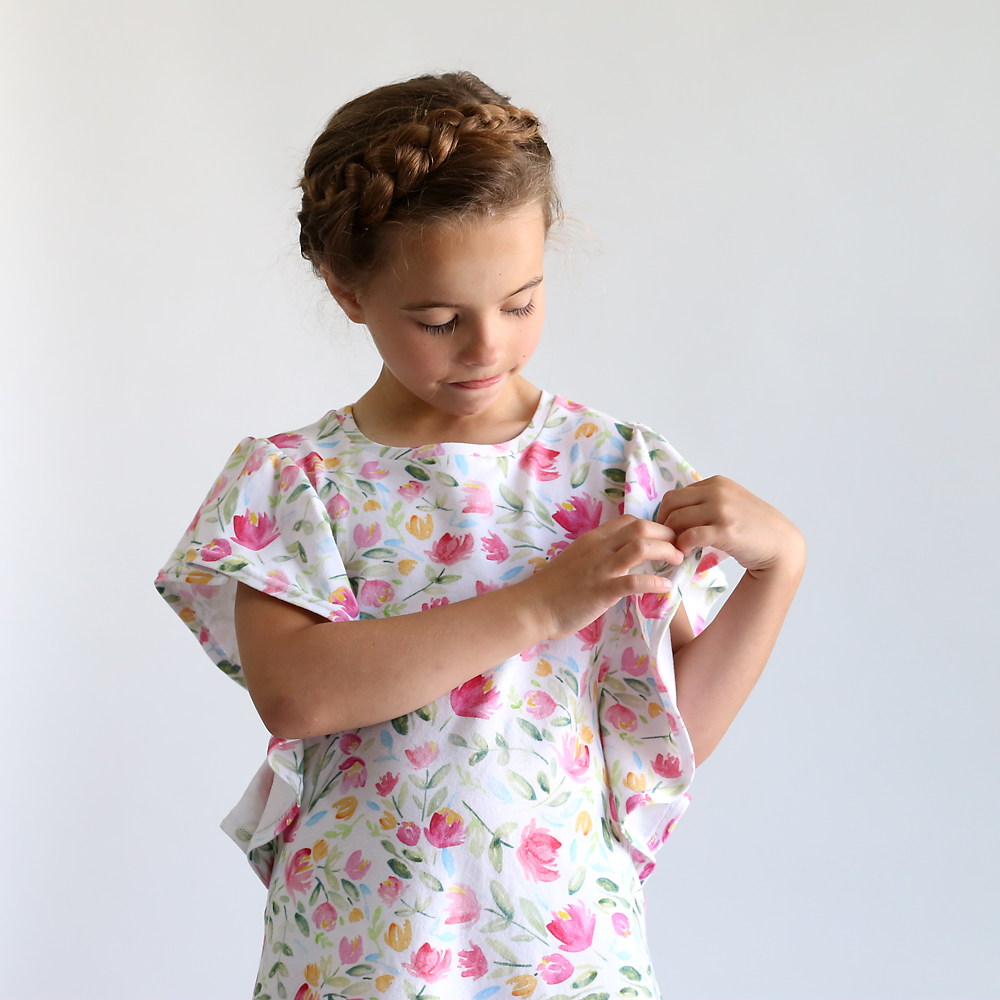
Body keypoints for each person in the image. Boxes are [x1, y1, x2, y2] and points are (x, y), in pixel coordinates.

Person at [155, 71, 806, 1000]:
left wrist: (779, 571)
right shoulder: (297, 478)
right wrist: (544, 602)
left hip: (564, 931)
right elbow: (298, 696)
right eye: (438, 320)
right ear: (346, 290)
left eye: (521, 301)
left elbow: (666, 726)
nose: (488, 347)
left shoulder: (612, 467)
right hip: (363, 938)